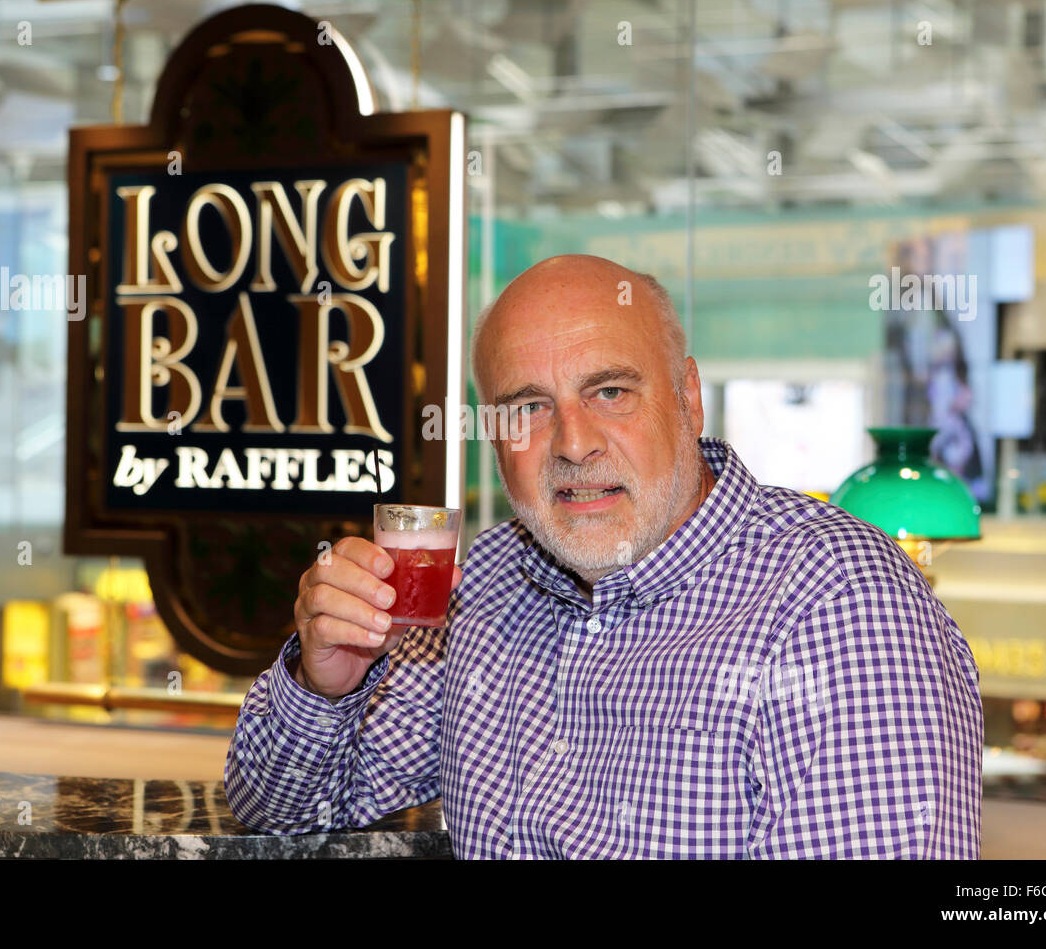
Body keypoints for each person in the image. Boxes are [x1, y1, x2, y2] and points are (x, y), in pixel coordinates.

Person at [224, 254, 984, 859]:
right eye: (528, 407)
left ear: (688, 398)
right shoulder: (484, 586)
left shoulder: (840, 606)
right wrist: (324, 683)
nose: (574, 443)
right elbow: (283, 814)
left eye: (611, 391)